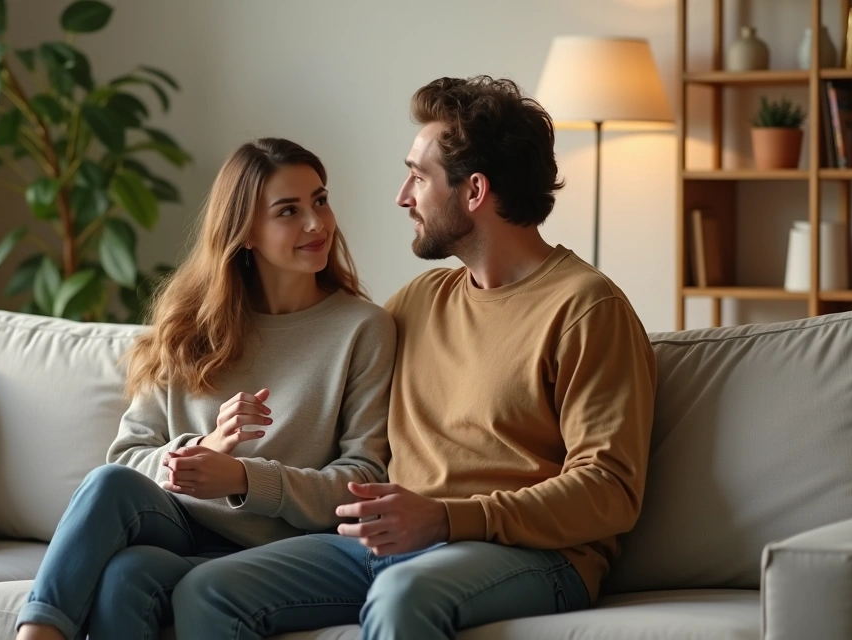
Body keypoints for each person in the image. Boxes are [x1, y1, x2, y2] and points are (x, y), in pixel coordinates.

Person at [172, 76, 658, 640]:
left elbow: (610, 490)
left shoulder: (585, 308)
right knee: (207, 591)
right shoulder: (417, 304)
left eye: (418, 177)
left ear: (473, 191)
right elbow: (326, 365)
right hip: (390, 545)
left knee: (403, 595)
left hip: (534, 556)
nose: (403, 197)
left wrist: (450, 518)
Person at [14, 138, 396, 640]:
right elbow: (128, 456)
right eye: (289, 210)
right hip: (182, 529)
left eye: (320, 201)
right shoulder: (190, 326)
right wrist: (201, 451)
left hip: (283, 553)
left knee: (124, 579)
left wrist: (241, 476)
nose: (315, 224)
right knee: (108, 486)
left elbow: (362, 477)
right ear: (246, 233)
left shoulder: (363, 328)